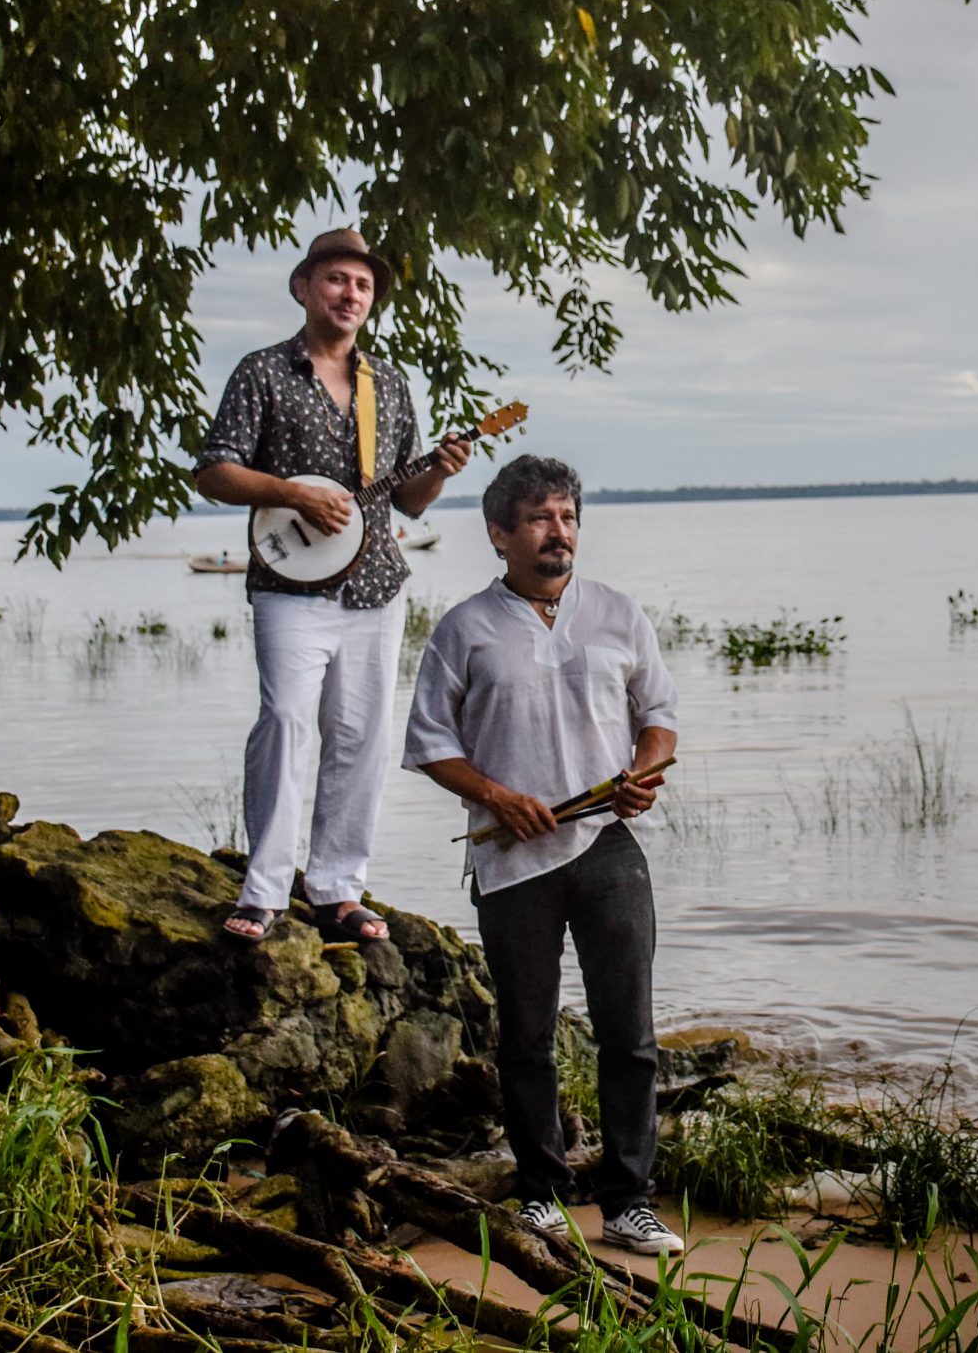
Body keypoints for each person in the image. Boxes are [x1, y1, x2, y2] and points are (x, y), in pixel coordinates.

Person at [404, 454, 684, 1258]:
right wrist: (496, 796)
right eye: (538, 518)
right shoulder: (464, 627)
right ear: (499, 534)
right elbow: (430, 744)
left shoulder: (618, 613)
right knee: (526, 1033)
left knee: (628, 1030)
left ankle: (629, 1199)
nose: (557, 531)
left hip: (607, 842)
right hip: (513, 860)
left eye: (566, 516)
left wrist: (645, 773)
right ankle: (540, 1194)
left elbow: (658, 715)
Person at [195, 229, 470, 944]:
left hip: (376, 585)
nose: (350, 294)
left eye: (363, 285)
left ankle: (338, 890)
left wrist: (439, 468)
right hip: (289, 585)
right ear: (304, 287)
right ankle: (264, 890)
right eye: (337, 280)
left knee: (360, 738)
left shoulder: (391, 384)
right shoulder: (262, 372)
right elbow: (215, 469)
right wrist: (292, 493)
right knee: (285, 722)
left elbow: (406, 499)